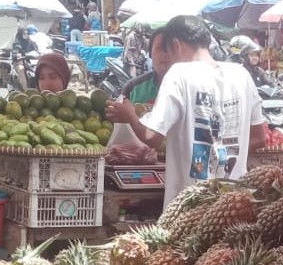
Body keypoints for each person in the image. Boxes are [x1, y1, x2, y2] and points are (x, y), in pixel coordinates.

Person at [105, 15, 266, 210]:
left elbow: (151, 137)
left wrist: (129, 115)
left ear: (176, 44)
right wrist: (220, 152)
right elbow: (259, 138)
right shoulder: (241, 74)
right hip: (236, 203)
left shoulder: (179, 73)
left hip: (191, 204)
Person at [126, 25, 177, 106]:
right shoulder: (132, 87)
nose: (165, 54)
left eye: (170, 48)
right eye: (159, 48)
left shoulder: (190, 89)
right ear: (150, 53)